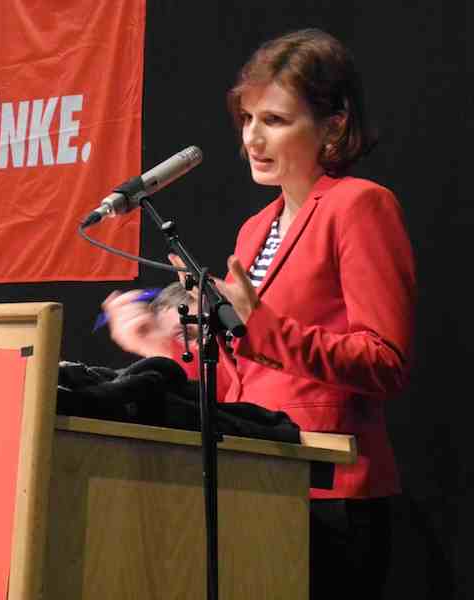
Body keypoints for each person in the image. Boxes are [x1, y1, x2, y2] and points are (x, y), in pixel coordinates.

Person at [102, 29, 415, 600]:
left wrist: (259, 326)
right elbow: (239, 379)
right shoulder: (254, 230)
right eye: (247, 119)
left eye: (275, 120)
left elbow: (384, 361)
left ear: (334, 126)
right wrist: (161, 349)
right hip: (256, 479)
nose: (252, 138)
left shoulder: (359, 206)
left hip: (331, 494)